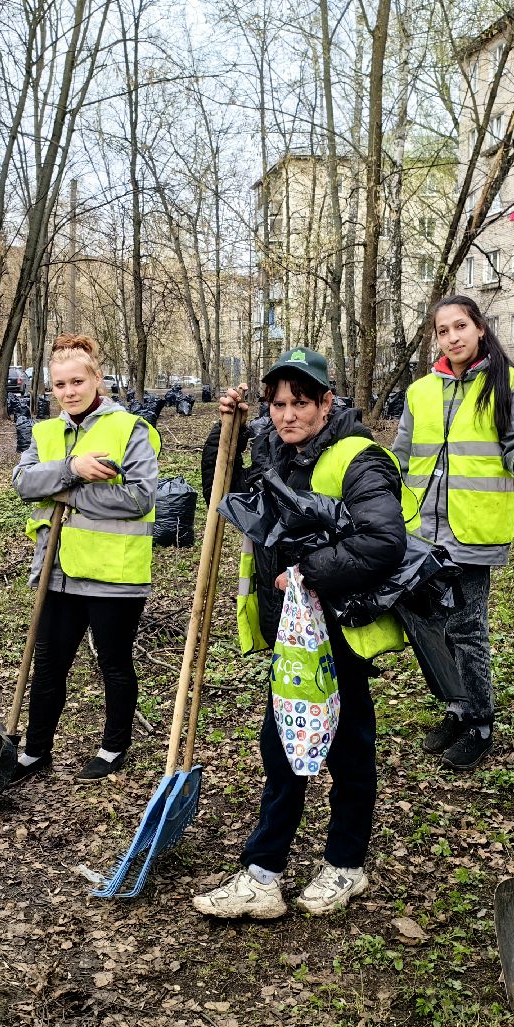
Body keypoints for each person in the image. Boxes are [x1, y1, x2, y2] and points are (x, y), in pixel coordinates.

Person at [192, 348, 407, 919]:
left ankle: (345, 865)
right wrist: (227, 432)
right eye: (278, 404)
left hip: (340, 630)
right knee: (281, 746)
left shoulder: (360, 458)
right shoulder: (274, 449)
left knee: (348, 749)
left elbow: (384, 540)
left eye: (301, 403)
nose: (288, 415)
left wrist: (309, 572)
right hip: (293, 633)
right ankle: (264, 875)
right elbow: (226, 491)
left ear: (326, 403)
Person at [392, 295, 514, 769]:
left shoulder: (510, 386)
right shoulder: (421, 391)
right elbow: (401, 456)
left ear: (480, 328)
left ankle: (480, 722)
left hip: (473, 530)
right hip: (420, 530)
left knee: (466, 629)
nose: (452, 337)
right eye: (443, 331)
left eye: (460, 326)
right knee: (432, 626)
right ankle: (457, 707)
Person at [11, 334, 160, 782]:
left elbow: (139, 498)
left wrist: (68, 493)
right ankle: (36, 751)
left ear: (97, 377)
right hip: (56, 570)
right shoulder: (46, 433)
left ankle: (113, 747)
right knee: (49, 664)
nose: (69, 391)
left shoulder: (130, 429)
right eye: (60, 384)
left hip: (114, 573)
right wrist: (72, 469)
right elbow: (22, 482)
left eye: (77, 381)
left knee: (113, 663)